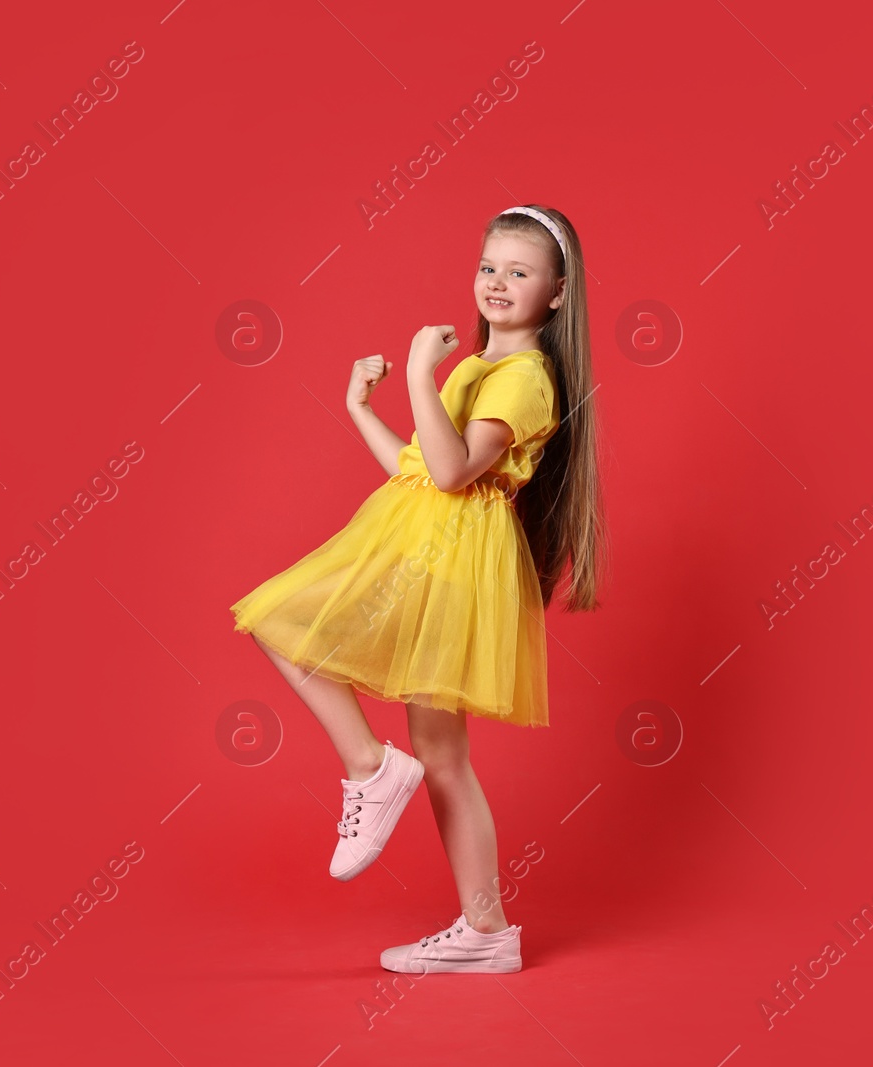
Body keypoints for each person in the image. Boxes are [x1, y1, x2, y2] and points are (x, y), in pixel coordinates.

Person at [229, 204, 607, 974]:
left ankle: (370, 767)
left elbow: (452, 472)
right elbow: (420, 468)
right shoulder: (478, 367)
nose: (498, 283)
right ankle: (487, 930)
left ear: (558, 293)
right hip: (429, 546)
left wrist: (412, 371)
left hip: (449, 565)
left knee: (279, 618)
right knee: (441, 753)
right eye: (489, 267)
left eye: (520, 272)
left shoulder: (528, 376)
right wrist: (359, 408)